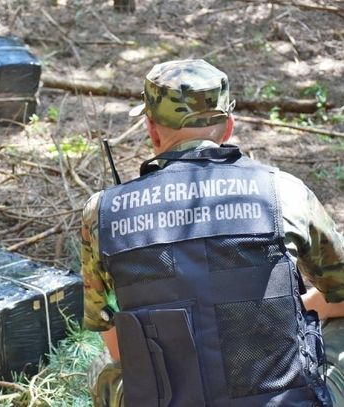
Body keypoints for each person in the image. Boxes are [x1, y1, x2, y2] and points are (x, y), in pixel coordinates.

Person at [81, 59, 344, 407]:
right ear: (229, 126)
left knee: (104, 367)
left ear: (152, 130)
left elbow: (118, 346)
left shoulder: (103, 213)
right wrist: (304, 307)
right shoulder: (284, 192)